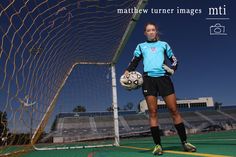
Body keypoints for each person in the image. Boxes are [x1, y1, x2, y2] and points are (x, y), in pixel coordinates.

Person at [123, 22, 196, 155]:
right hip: (148, 80)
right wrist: (128, 71)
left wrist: (172, 69)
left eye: (153, 30)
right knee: (153, 112)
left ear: (156, 32)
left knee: (174, 110)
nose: (151, 32)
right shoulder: (141, 46)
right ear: (145, 33)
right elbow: (134, 61)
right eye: (148, 30)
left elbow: (174, 60)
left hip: (164, 79)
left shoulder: (164, 45)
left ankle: (185, 142)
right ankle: (157, 145)